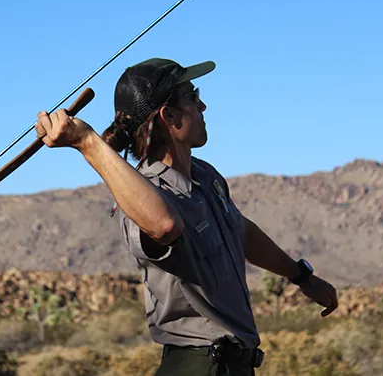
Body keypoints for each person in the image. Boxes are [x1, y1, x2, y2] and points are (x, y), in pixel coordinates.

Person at [35, 57, 338, 375]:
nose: (203, 106)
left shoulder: (206, 177)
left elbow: (241, 231)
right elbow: (164, 225)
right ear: (169, 115)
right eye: (193, 96)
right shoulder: (144, 195)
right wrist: (87, 142)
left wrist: (301, 277)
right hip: (197, 365)